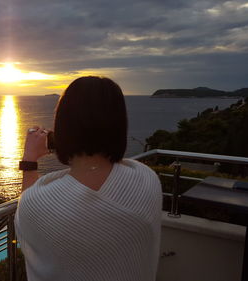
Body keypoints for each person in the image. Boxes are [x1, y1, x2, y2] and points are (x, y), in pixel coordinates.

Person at [14, 76, 162, 281]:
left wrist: (29, 161)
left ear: (63, 128)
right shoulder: (147, 178)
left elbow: (27, 220)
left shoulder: (39, 203)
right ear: (120, 125)